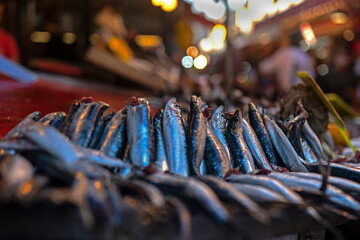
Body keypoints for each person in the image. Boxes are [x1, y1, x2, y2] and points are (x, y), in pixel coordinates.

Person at [258, 31, 314, 96]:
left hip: (287, 93)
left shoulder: (284, 53)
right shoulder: (303, 55)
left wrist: (276, 73)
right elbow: (312, 75)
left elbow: (263, 67)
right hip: (304, 92)